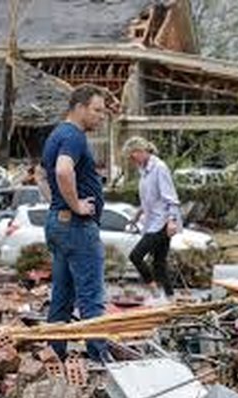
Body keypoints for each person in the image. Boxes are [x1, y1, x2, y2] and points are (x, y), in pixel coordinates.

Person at [40, 83, 109, 362]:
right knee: (91, 297)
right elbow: (62, 170)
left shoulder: (56, 134)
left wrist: (58, 205)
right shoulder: (74, 136)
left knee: (62, 298)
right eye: (97, 110)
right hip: (77, 229)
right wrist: (75, 204)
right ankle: (99, 362)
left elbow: (41, 175)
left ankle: (53, 357)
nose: (101, 117)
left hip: (59, 225)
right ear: (79, 108)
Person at [122, 136, 182, 302]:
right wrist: (137, 215)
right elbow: (149, 199)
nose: (132, 161)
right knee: (159, 263)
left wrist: (172, 221)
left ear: (140, 151)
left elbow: (170, 197)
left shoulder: (159, 168)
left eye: (133, 156)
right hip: (153, 220)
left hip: (162, 222)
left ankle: (154, 290)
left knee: (136, 256)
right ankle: (170, 298)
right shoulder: (144, 170)